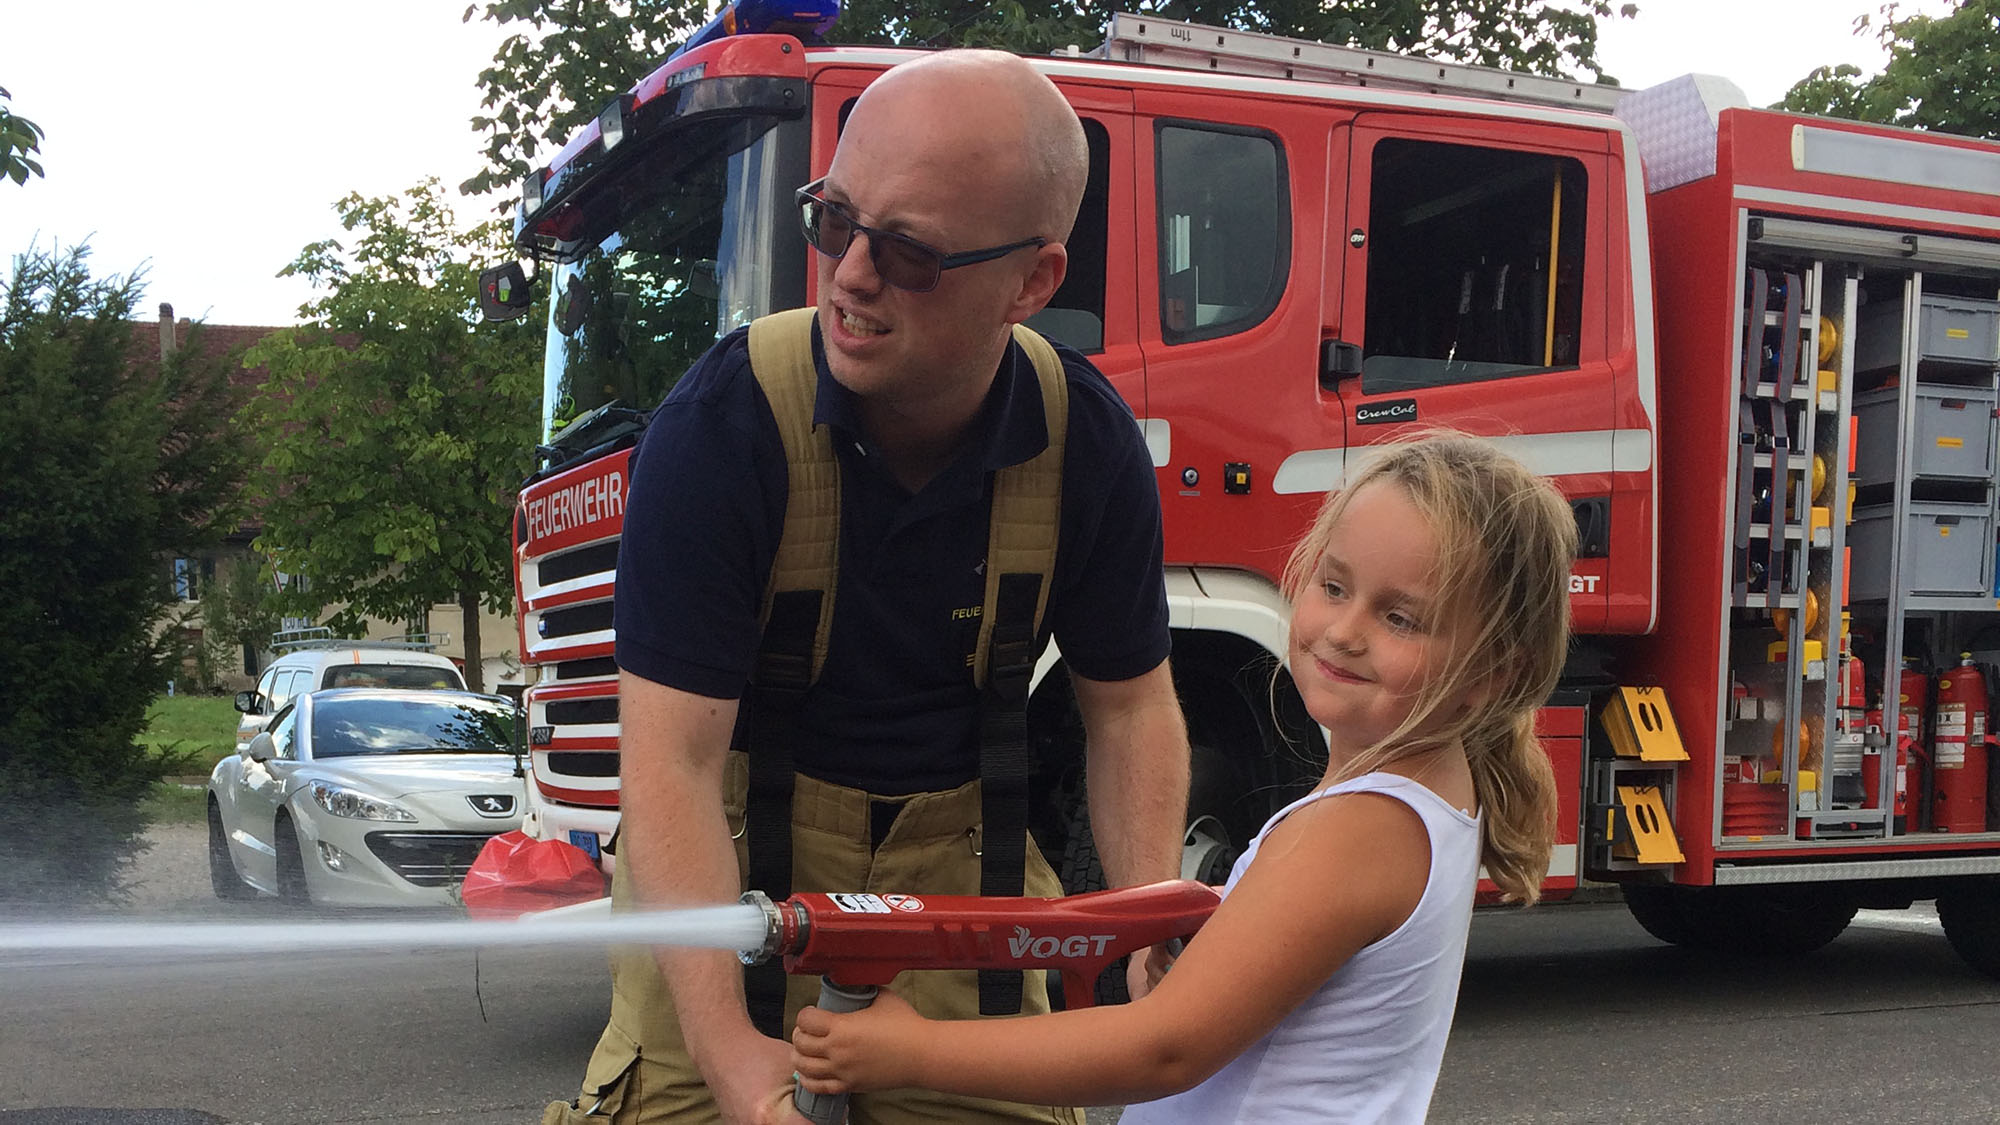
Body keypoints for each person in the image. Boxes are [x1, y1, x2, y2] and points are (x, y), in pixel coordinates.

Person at [543, 49, 1191, 1125]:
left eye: (909, 252)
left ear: (1031, 281)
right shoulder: (721, 428)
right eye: (834, 220)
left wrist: (1144, 933)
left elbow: (1126, 711)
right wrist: (733, 1058)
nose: (849, 274)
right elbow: (672, 763)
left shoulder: (1085, 444)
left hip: (964, 899)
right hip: (724, 894)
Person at [791, 434, 1578, 1124]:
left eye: (1399, 617)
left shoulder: (1356, 829)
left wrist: (911, 1050)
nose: (1343, 629)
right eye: (1334, 586)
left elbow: (1166, 1047)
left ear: (1490, 670)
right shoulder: (1433, 796)